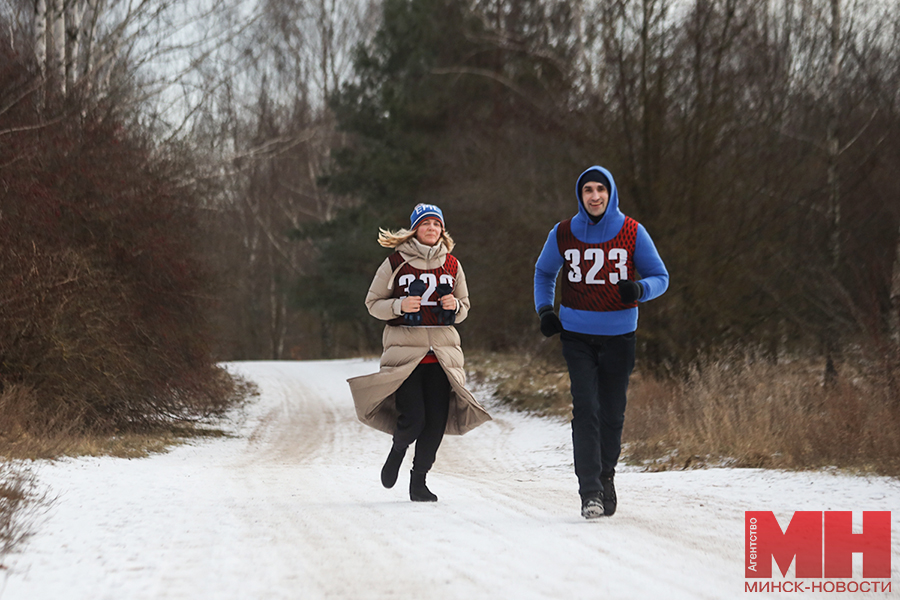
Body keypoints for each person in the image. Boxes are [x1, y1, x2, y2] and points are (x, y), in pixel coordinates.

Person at [533, 166, 668, 519]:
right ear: (580, 195)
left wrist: (640, 289)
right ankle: (589, 491)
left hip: (620, 336)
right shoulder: (564, 232)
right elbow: (544, 272)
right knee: (586, 410)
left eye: (600, 189)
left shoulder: (632, 232)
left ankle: (606, 476)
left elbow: (661, 277)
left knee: (611, 414)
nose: (594, 196)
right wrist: (545, 309)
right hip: (577, 335)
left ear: (611, 193)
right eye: (588, 190)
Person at [348, 203, 491, 502]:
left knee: (436, 421)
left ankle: (419, 482)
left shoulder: (452, 264)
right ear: (415, 228)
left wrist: (456, 307)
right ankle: (398, 449)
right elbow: (373, 303)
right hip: (406, 357)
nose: (431, 229)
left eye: (436, 224)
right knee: (414, 418)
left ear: (442, 229)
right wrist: (399, 306)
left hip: (442, 356)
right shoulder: (395, 262)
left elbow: (464, 308)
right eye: (425, 224)